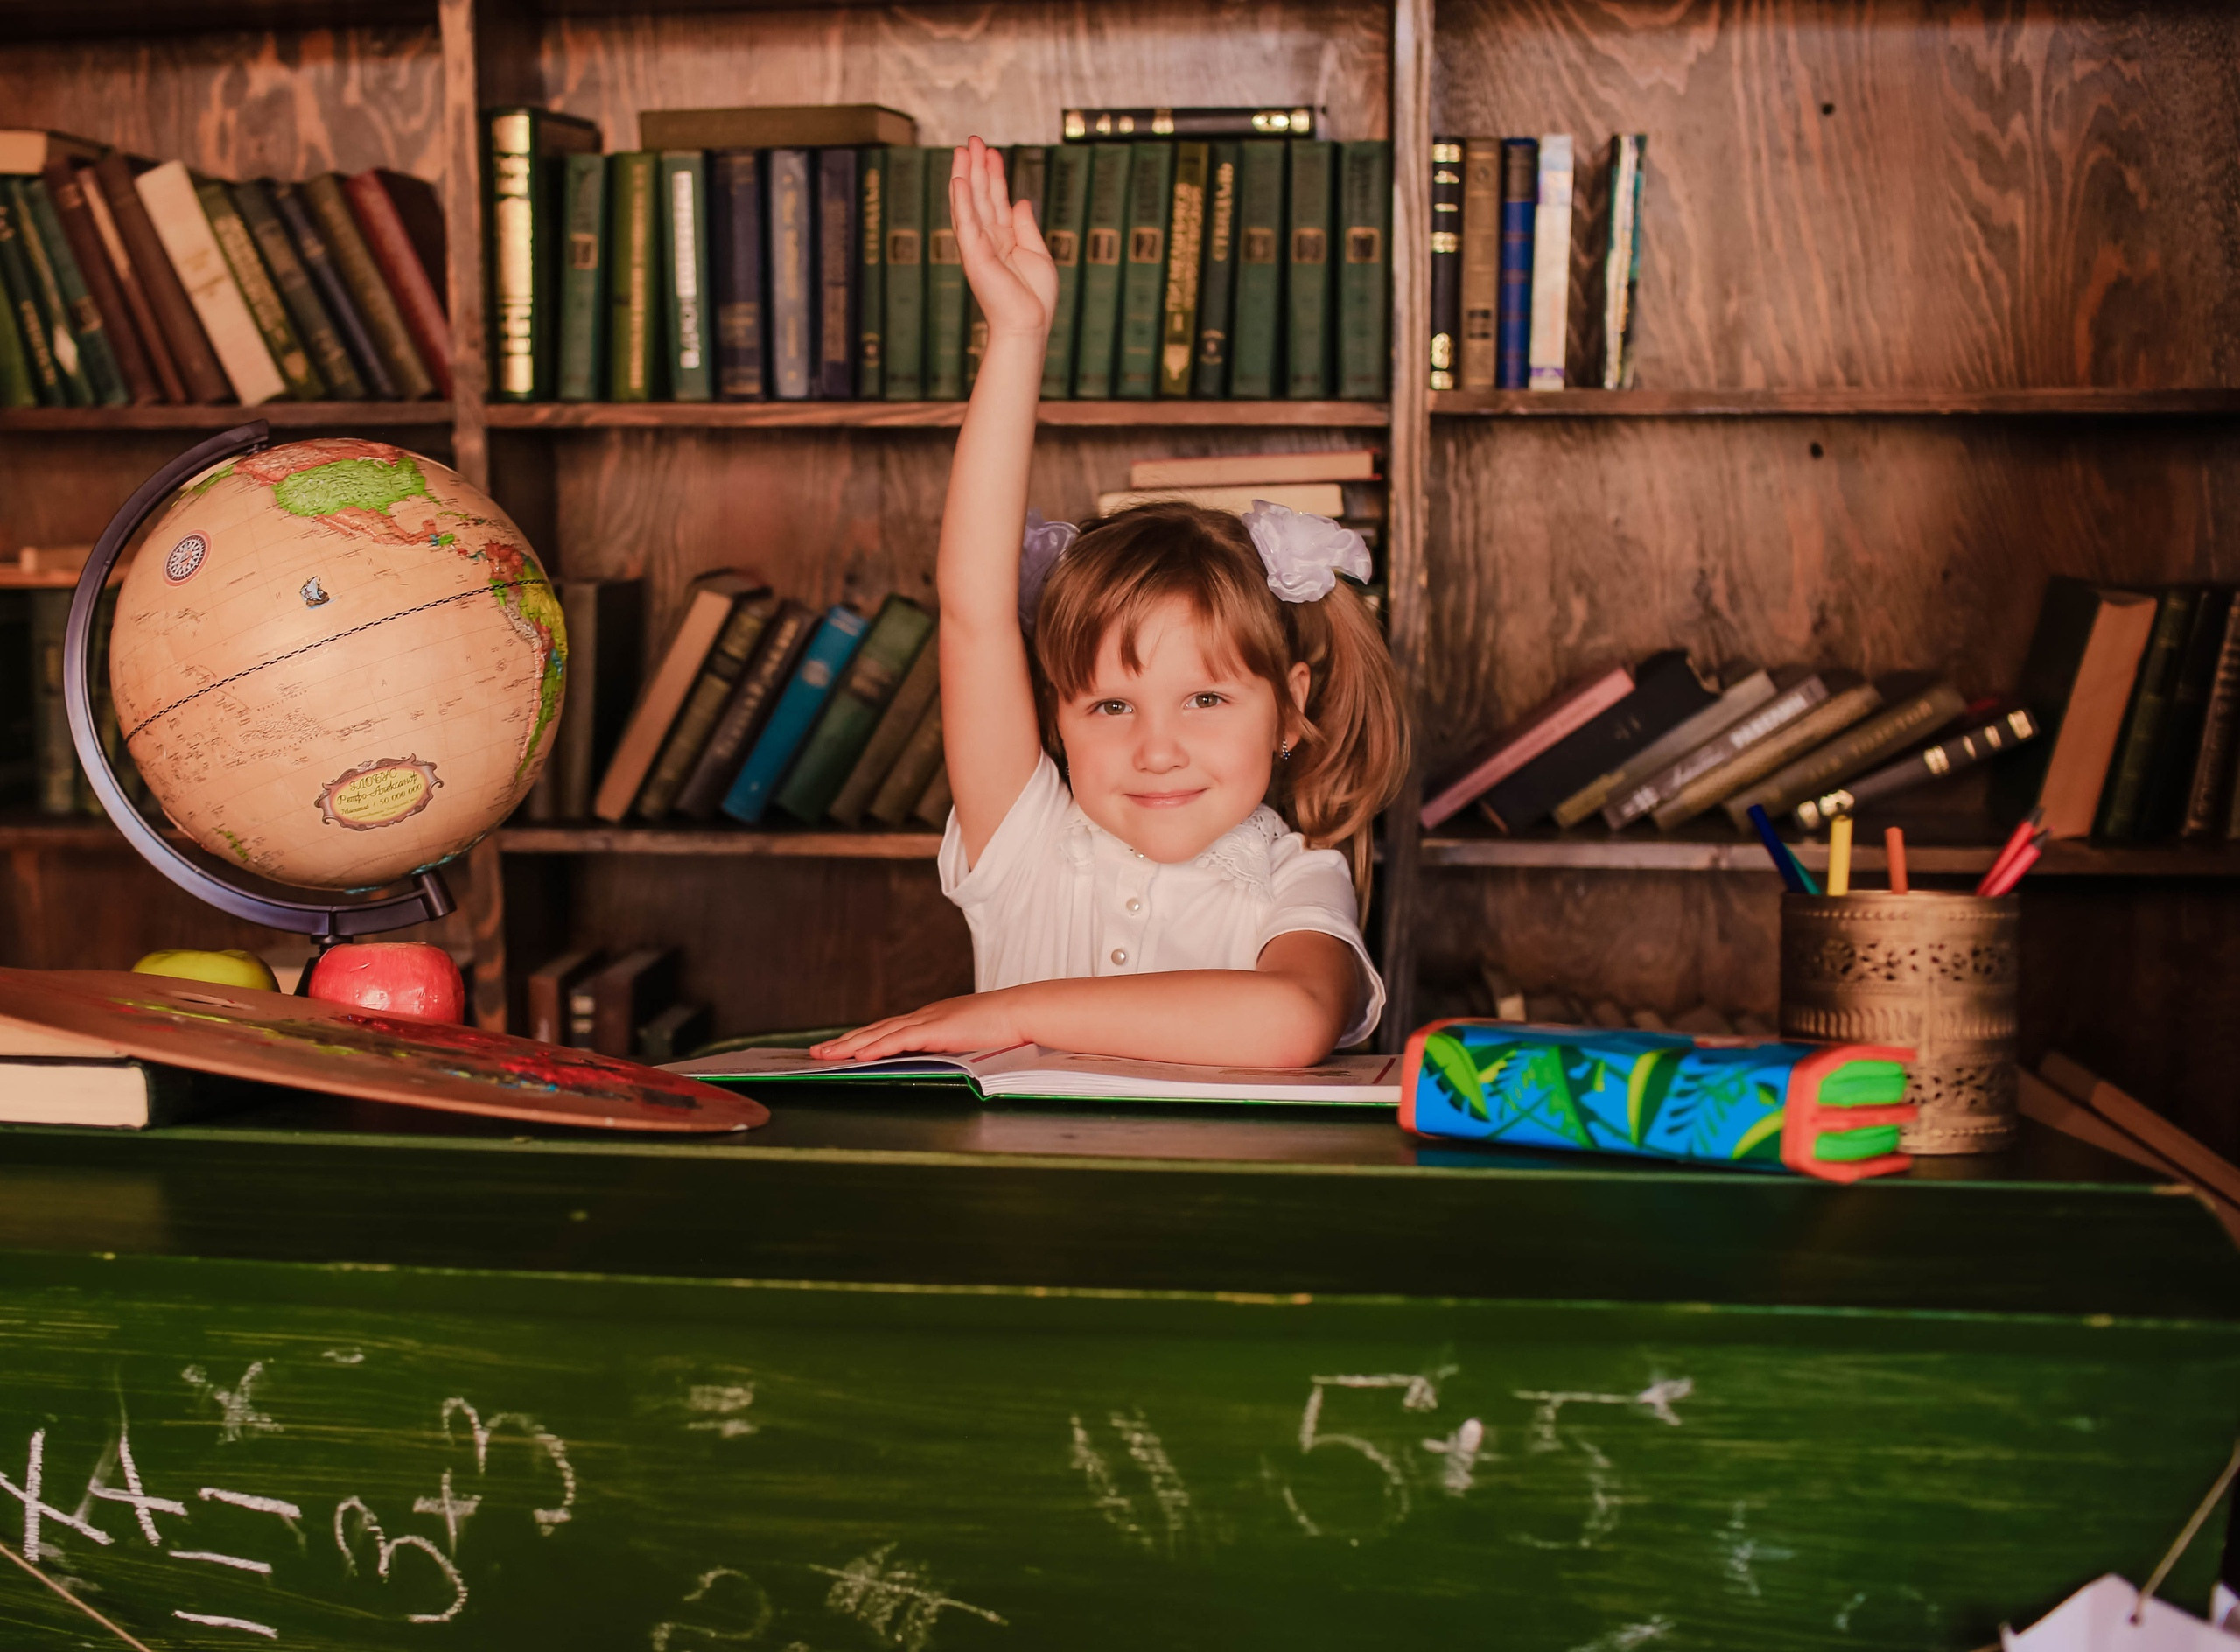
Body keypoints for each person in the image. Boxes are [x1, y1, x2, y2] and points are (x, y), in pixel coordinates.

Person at [811, 138, 1407, 1068]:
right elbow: (971, 610)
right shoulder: (1026, 842)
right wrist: (1015, 337)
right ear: (1057, 716)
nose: (1156, 749)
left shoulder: (1296, 878)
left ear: (1291, 706)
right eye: (1110, 705)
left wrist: (1014, 1013)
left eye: (1205, 699)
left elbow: (1290, 1019)